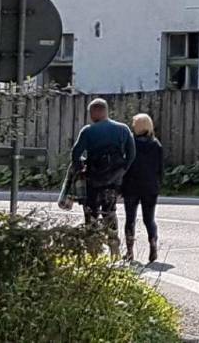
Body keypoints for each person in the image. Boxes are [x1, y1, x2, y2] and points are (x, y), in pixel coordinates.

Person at [62, 97, 135, 258]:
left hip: (93, 180)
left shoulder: (88, 131)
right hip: (114, 181)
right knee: (110, 212)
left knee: (91, 214)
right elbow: (131, 154)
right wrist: (123, 170)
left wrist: (80, 168)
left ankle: (93, 251)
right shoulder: (123, 129)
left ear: (95, 112)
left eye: (90, 112)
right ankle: (114, 251)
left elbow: (75, 153)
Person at [122, 112, 165, 263]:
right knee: (149, 218)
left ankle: (129, 251)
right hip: (150, 186)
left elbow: (126, 165)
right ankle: (152, 242)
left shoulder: (130, 143)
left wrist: (120, 185)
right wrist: (158, 184)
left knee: (130, 219)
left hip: (131, 185)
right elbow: (160, 168)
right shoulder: (156, 144)